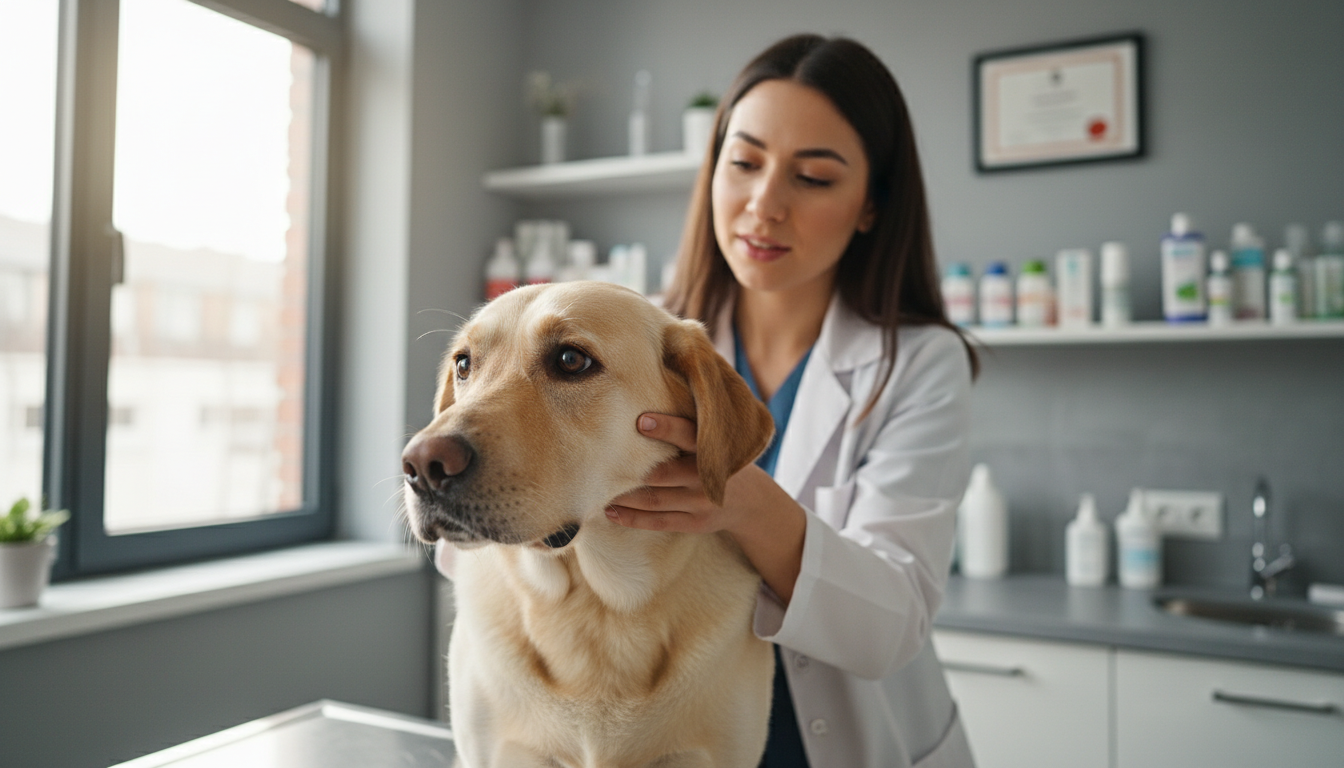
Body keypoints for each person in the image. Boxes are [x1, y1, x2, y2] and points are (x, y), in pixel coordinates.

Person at [603, 34, 979, 767]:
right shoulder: (634, 347)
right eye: (742, 164)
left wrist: (745, 503)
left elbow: (891, 624)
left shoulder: (921, 363)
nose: (764, 205)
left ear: (871, 205)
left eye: (812, 178)